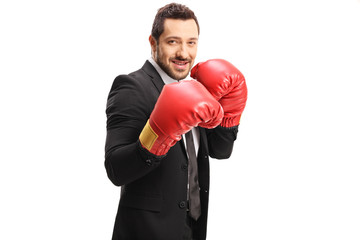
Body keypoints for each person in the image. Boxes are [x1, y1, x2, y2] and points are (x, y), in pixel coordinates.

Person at [104, 3, 247, 240]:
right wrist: (156, 138)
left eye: (191, 42)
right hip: (147, 232)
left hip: (192, 230)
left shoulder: (197, 90)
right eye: (173, 42)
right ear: (153, 43)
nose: (183, 53)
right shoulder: (131, 87)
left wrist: (230, 114)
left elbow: (221, 151)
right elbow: (116, 169)